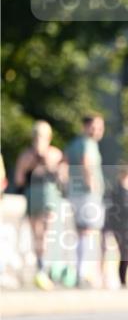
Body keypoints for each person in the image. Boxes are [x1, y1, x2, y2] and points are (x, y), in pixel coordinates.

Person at [13, 121, 64, 290]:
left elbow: (19, 180)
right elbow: (63, 179)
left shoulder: (26, 156)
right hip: (46, 196)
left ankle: (43, 269)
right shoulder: (54, 154)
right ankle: (44, 269)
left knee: (39, 235)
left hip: (35, 196)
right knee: (46, 234)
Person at [63, 114, 106, 287]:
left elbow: (64, 162)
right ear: (86, 126)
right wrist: (92, 185)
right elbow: (86, 163)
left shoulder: (73, 143)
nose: (98, 131)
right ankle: (82, 274)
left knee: (81, 232)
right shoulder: (88, 144)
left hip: (74, 192)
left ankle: (79, 273)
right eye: (95, 127)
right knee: (88, 232)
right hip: (87, 194)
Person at [103, 167, 128, 287]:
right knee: (125, 254)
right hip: (124, 227)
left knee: (124, 254)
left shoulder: (116, 192)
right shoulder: (123, 193)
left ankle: (122, 279)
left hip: (120, 226)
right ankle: (122, 280)